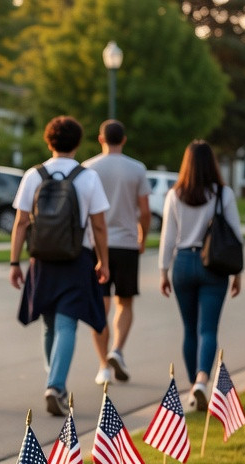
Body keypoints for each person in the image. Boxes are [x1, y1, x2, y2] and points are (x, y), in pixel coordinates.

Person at [8, 115, 111, 417]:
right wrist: (103, 260)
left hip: (41, 259)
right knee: (67, 324)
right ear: (78, 143)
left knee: (49, 323)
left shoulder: (33, 175)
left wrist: (15, 261)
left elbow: (21, 222)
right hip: (76, 258)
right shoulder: (87, 177)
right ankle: (55, 385)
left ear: (48, 140)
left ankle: (53, 381)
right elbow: (100, 226)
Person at [157, 141, 242, 411]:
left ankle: (195, 384)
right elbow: (235, 235)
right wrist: (237, 272)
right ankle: (203, 381)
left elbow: (167, 237)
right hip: (213, 265)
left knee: (189, 329)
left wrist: (163, 271)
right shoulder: (222, 194)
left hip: (182, 262)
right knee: (208, 329)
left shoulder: (175, 194)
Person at [81, 120, 150, 382]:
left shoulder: (88, 168)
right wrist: (142, 237)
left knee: (101, 304)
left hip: (96, 244)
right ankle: (118, 350)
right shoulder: (137, 169)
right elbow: (144, 210)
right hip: (126, 243)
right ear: (124, 139)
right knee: (125, 301)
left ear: (101, 139)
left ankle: (103, 366)